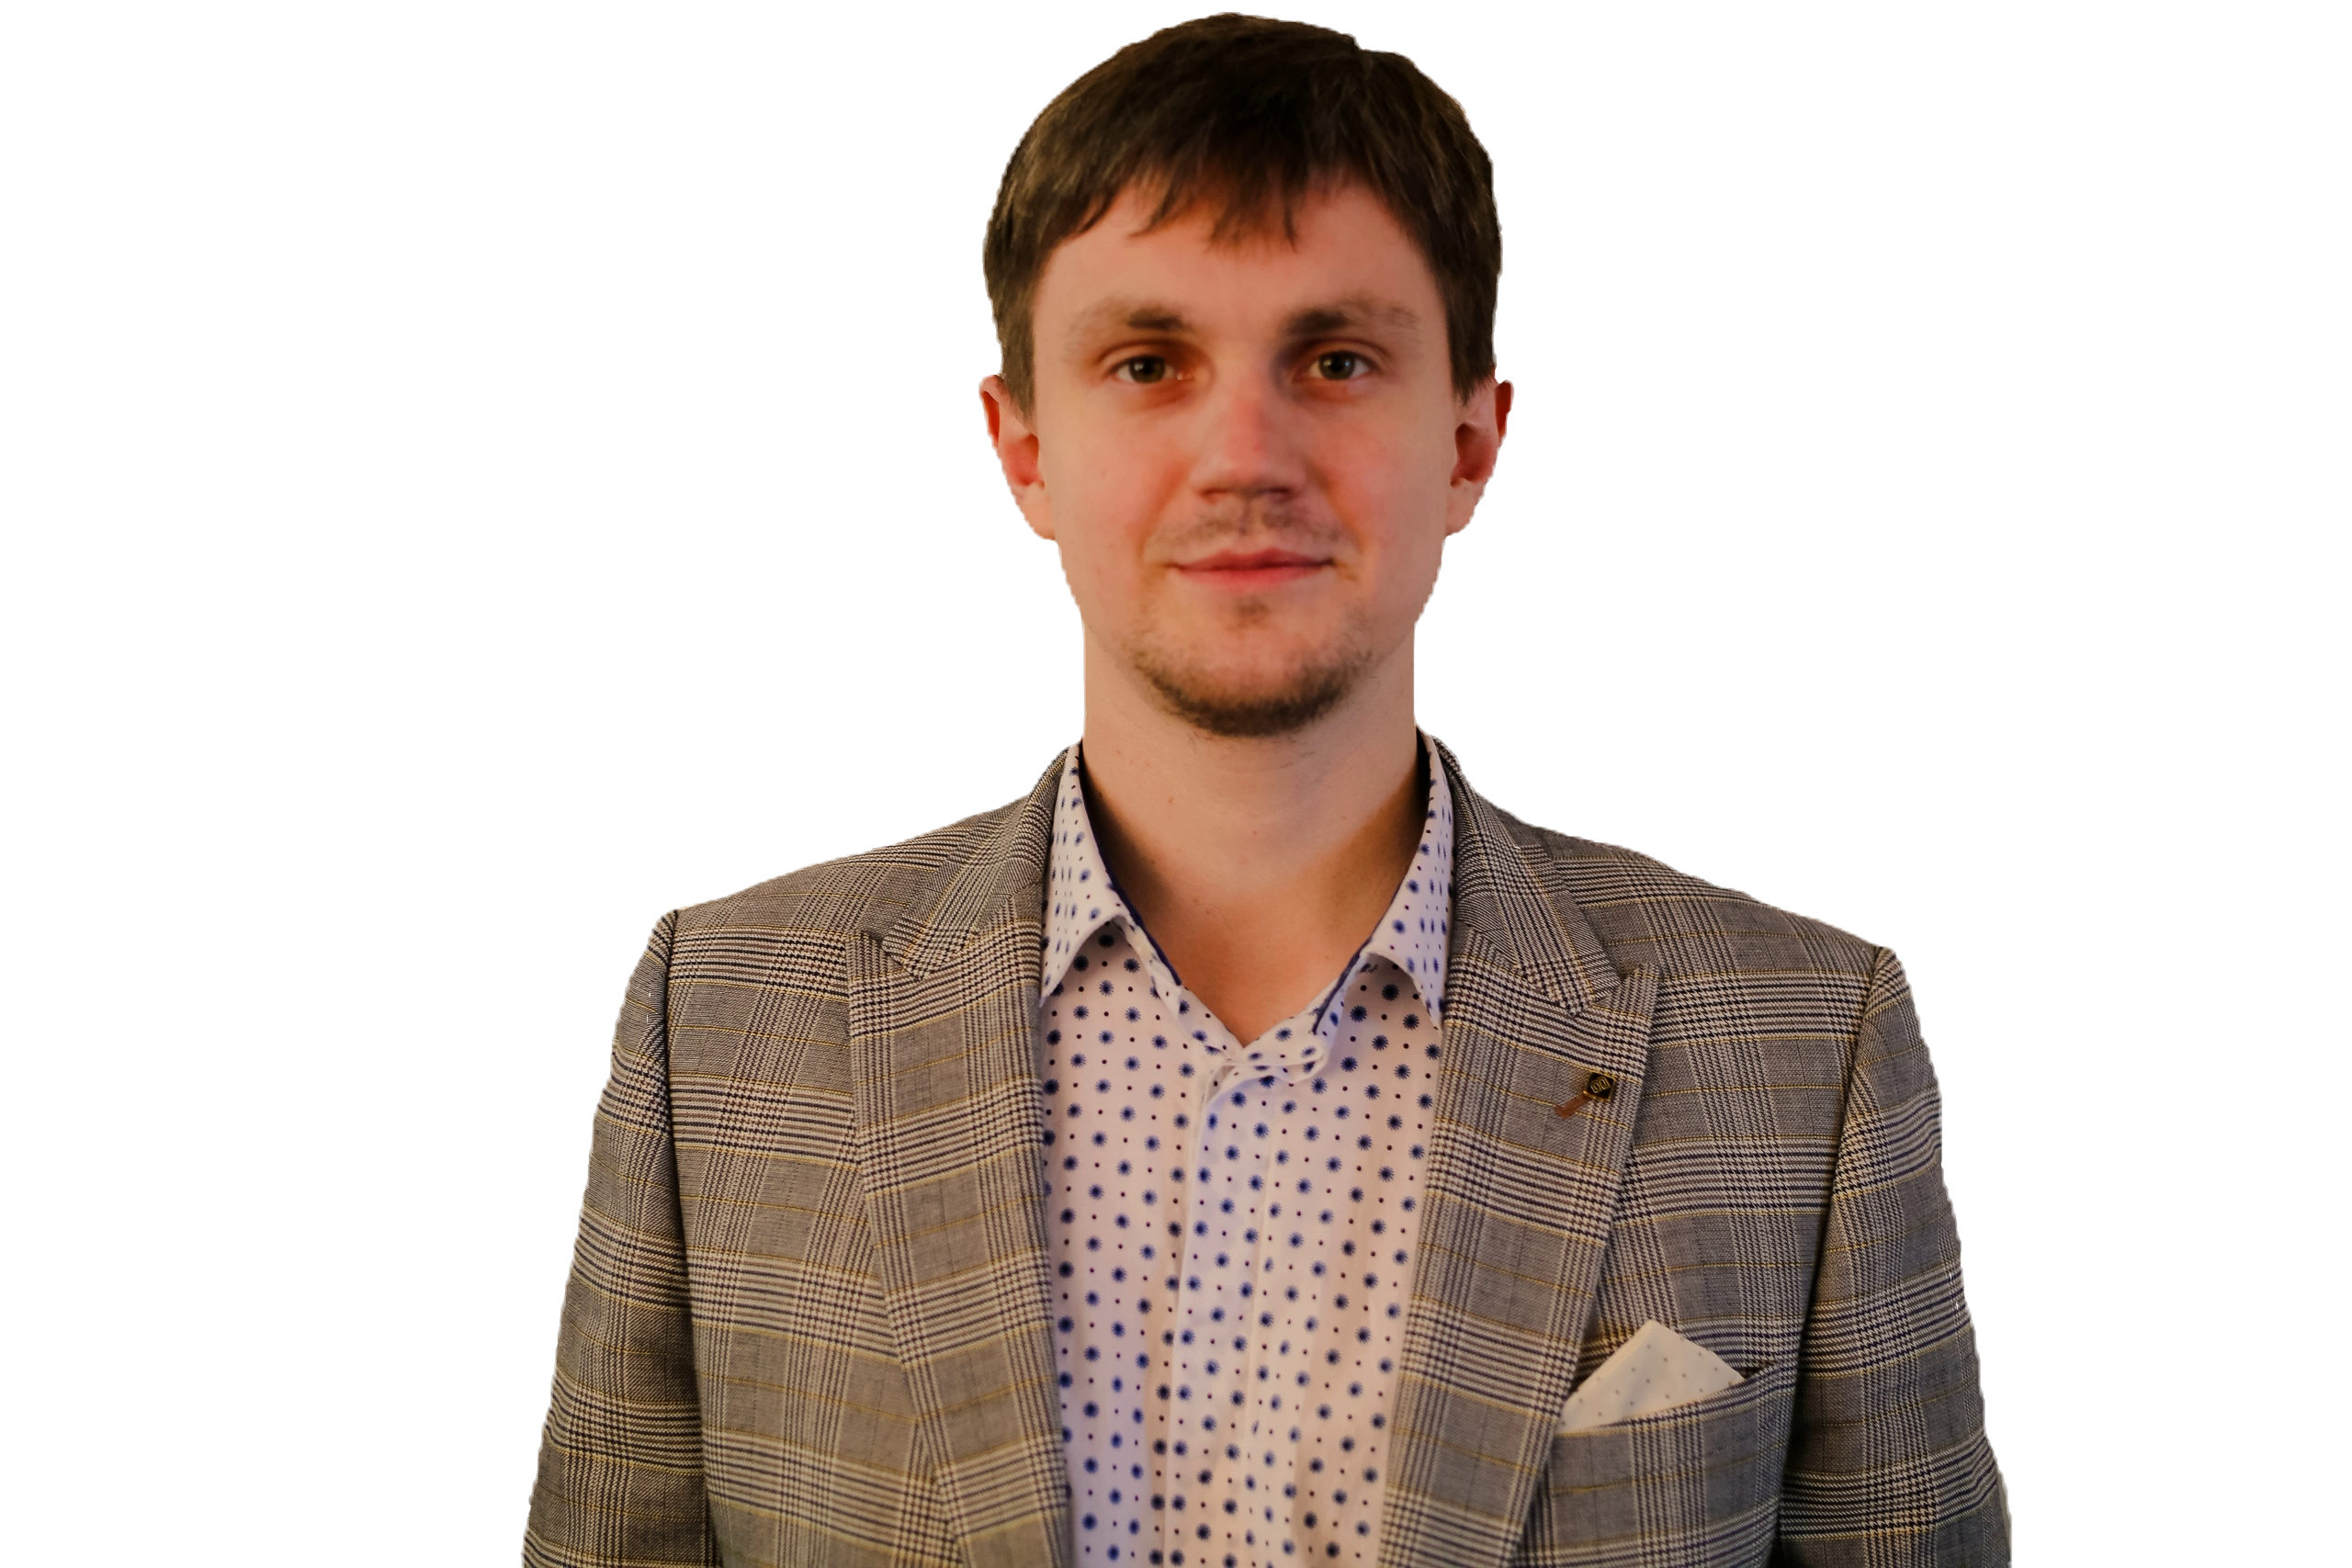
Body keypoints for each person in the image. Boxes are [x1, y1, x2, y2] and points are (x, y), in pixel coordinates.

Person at [523, 16, 2007, 1567]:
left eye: (1336, 360)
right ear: (1023, 449)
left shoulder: (1810, 1041)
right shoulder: (717, 1019)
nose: (1245, 455)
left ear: (1472, 441)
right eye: (1148, 363)